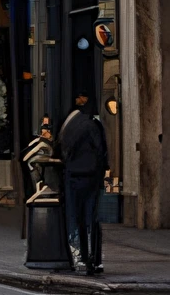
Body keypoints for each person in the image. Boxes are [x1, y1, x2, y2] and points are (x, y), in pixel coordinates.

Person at [57, 92, 109, 275]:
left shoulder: (69, 127)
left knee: (76, 217)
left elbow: (63, 151)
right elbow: (101, 150)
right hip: (91, 176)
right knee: (91, 218)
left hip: (73, 176)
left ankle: (80, 258)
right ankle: (93, 260)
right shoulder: (93, 125)